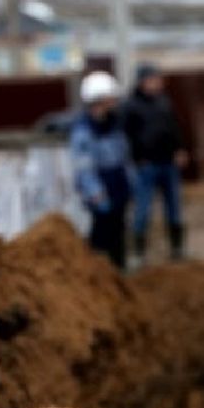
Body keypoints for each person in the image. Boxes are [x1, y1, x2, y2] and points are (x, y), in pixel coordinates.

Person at [122, 65, 189, 262]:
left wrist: (180, 149)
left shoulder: (163, 102)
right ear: (143, 81)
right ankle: (139, 253)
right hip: (146, 165)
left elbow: (174, 127)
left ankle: (177, 249)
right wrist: (137, 159)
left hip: (168, 163)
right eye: (154, 79)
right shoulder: (130, 106)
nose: (158, 83)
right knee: (142, 209)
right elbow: (126, 137)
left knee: (174, 208)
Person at [71, 70, 133, 269]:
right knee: (100, 236)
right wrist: (95, 192)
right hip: (101, 190)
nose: (114, 102)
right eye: (109, 98)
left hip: (118, 185)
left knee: (118, 235)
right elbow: (83, 167)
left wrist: (129, 182)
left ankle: (119, 273)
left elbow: (123, 156)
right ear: (97, 100)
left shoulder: (114, 125)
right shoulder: (84, 131)